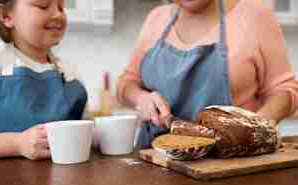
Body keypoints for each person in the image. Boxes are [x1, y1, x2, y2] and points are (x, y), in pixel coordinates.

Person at [117, 0, 298, 148]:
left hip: (230, 166)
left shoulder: (254, 16)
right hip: (154, 162)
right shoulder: (157, 18)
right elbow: (127, 82)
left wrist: (254, 128)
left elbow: (284, 91)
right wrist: (141, 98)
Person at [0, 0, 88, 160]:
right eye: (43, 5)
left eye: (61, 7)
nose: (58, 14)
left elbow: (86, 130)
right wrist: (16, 144)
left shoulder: (70, 74)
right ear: (6, 16)